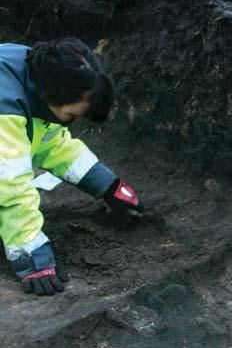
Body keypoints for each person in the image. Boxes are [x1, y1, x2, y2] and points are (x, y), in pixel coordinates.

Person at [0, 38, 144, 296]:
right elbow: (9, 184)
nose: (71, 123)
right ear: (50, 96)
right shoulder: (5, 107)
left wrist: (108, 185)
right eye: (71, 117)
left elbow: (51, 143)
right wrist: (31, 254)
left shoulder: (37, 72)